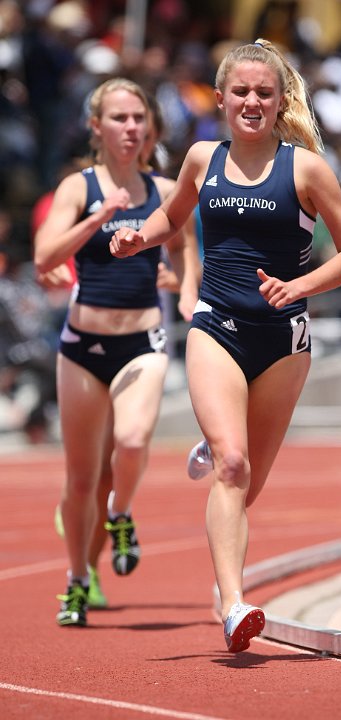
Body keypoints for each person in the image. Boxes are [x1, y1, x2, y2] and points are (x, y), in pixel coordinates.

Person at [109, 40, 341, 652]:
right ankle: (232, 604)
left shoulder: (305, 169)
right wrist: (133, 239)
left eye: (264, 93)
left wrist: (297, 284)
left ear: (280, 103)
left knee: (246, 487)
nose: (251, 102)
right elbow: (171, 219)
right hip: (217, 326)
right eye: (241, 92)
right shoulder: (202, 158)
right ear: (221, 98)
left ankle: (217, 445)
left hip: (285, 341)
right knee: (233, 463)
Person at [34, 77, 197, 627]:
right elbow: (44, 256)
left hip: (142, 339)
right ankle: (78, 580)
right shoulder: (78, 188)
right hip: (82, 345)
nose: (130, 128)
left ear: (150, 128)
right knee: (80, 479)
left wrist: (186, 289)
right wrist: (101, 217)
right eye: (119, 118)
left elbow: (185, 246)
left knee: (131, 440)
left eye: (138, 119)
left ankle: (121, 512)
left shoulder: (167, 187)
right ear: (96, 127)